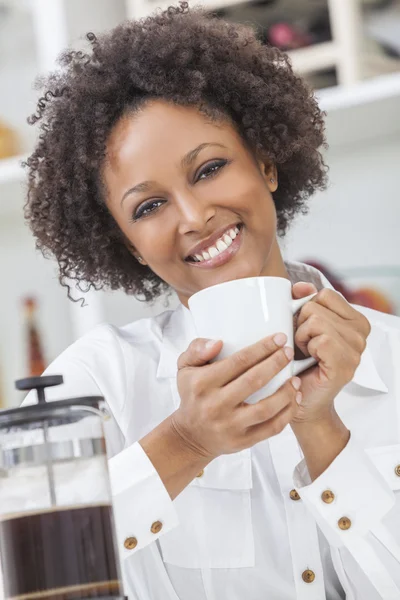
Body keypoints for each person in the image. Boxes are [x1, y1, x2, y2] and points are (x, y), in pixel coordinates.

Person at [23, 3, 400, 599]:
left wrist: (321, 427)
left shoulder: (394, 358)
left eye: (210, 168)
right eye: (149, 207)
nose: (195, 218)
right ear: (130, 246)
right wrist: (186, 443)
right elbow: (34, 576)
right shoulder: (99, 383)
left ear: (266, 163)